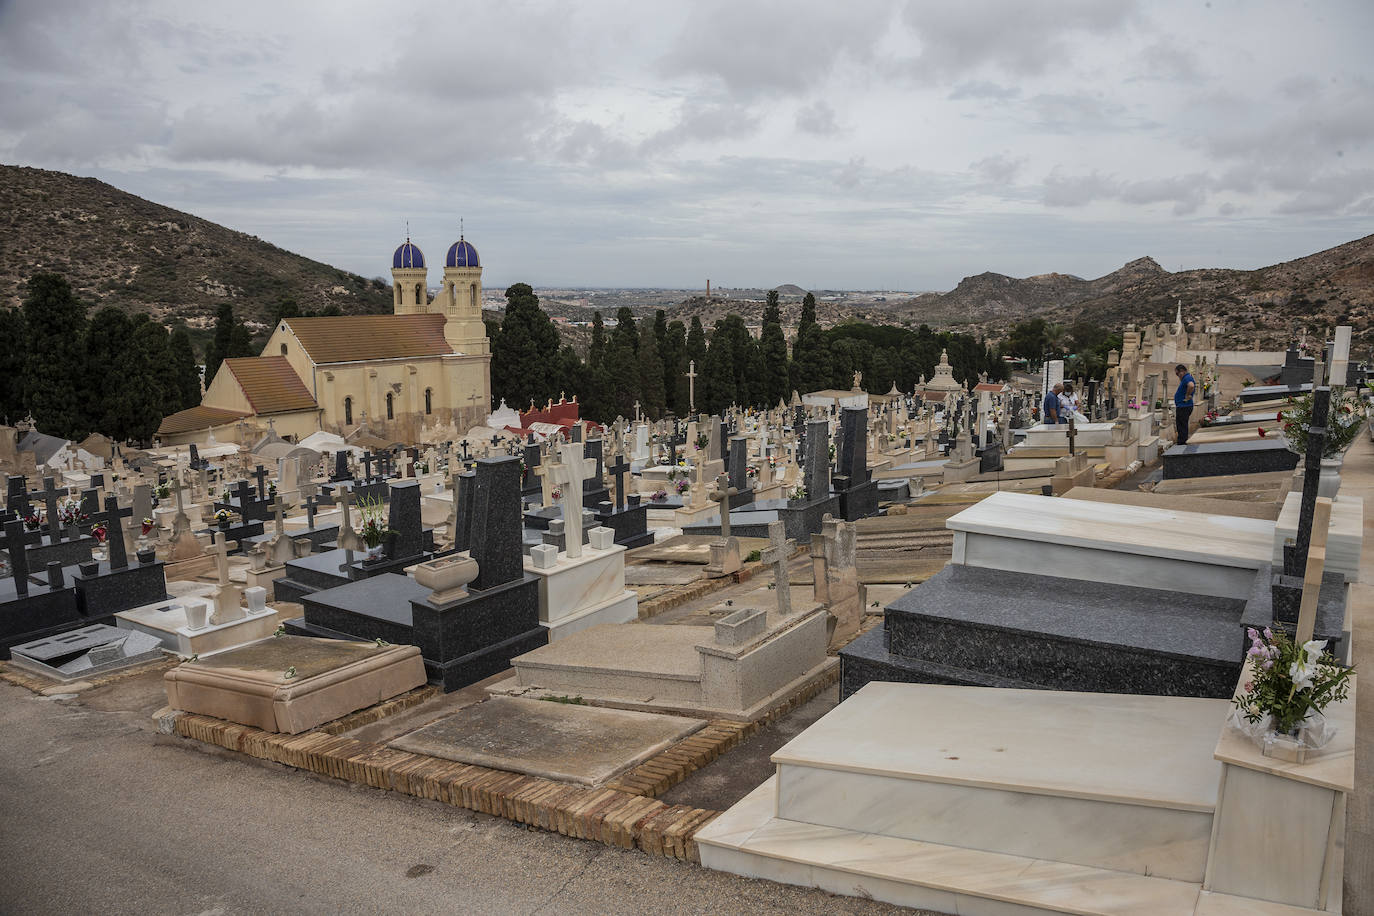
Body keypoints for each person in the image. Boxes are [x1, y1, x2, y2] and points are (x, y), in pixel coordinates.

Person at [1174, 363, 1196, 444]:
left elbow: (1191, 386)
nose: (1177, 376)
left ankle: (1182, 443)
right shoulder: (1186, 378)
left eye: (1177, 373)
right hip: (1184, 406)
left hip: (1184, 406)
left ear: (1182, 371)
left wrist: (1187, 395)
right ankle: (1182, 441)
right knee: (1182, 425)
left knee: (1181, 426)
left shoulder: (1187, 377)